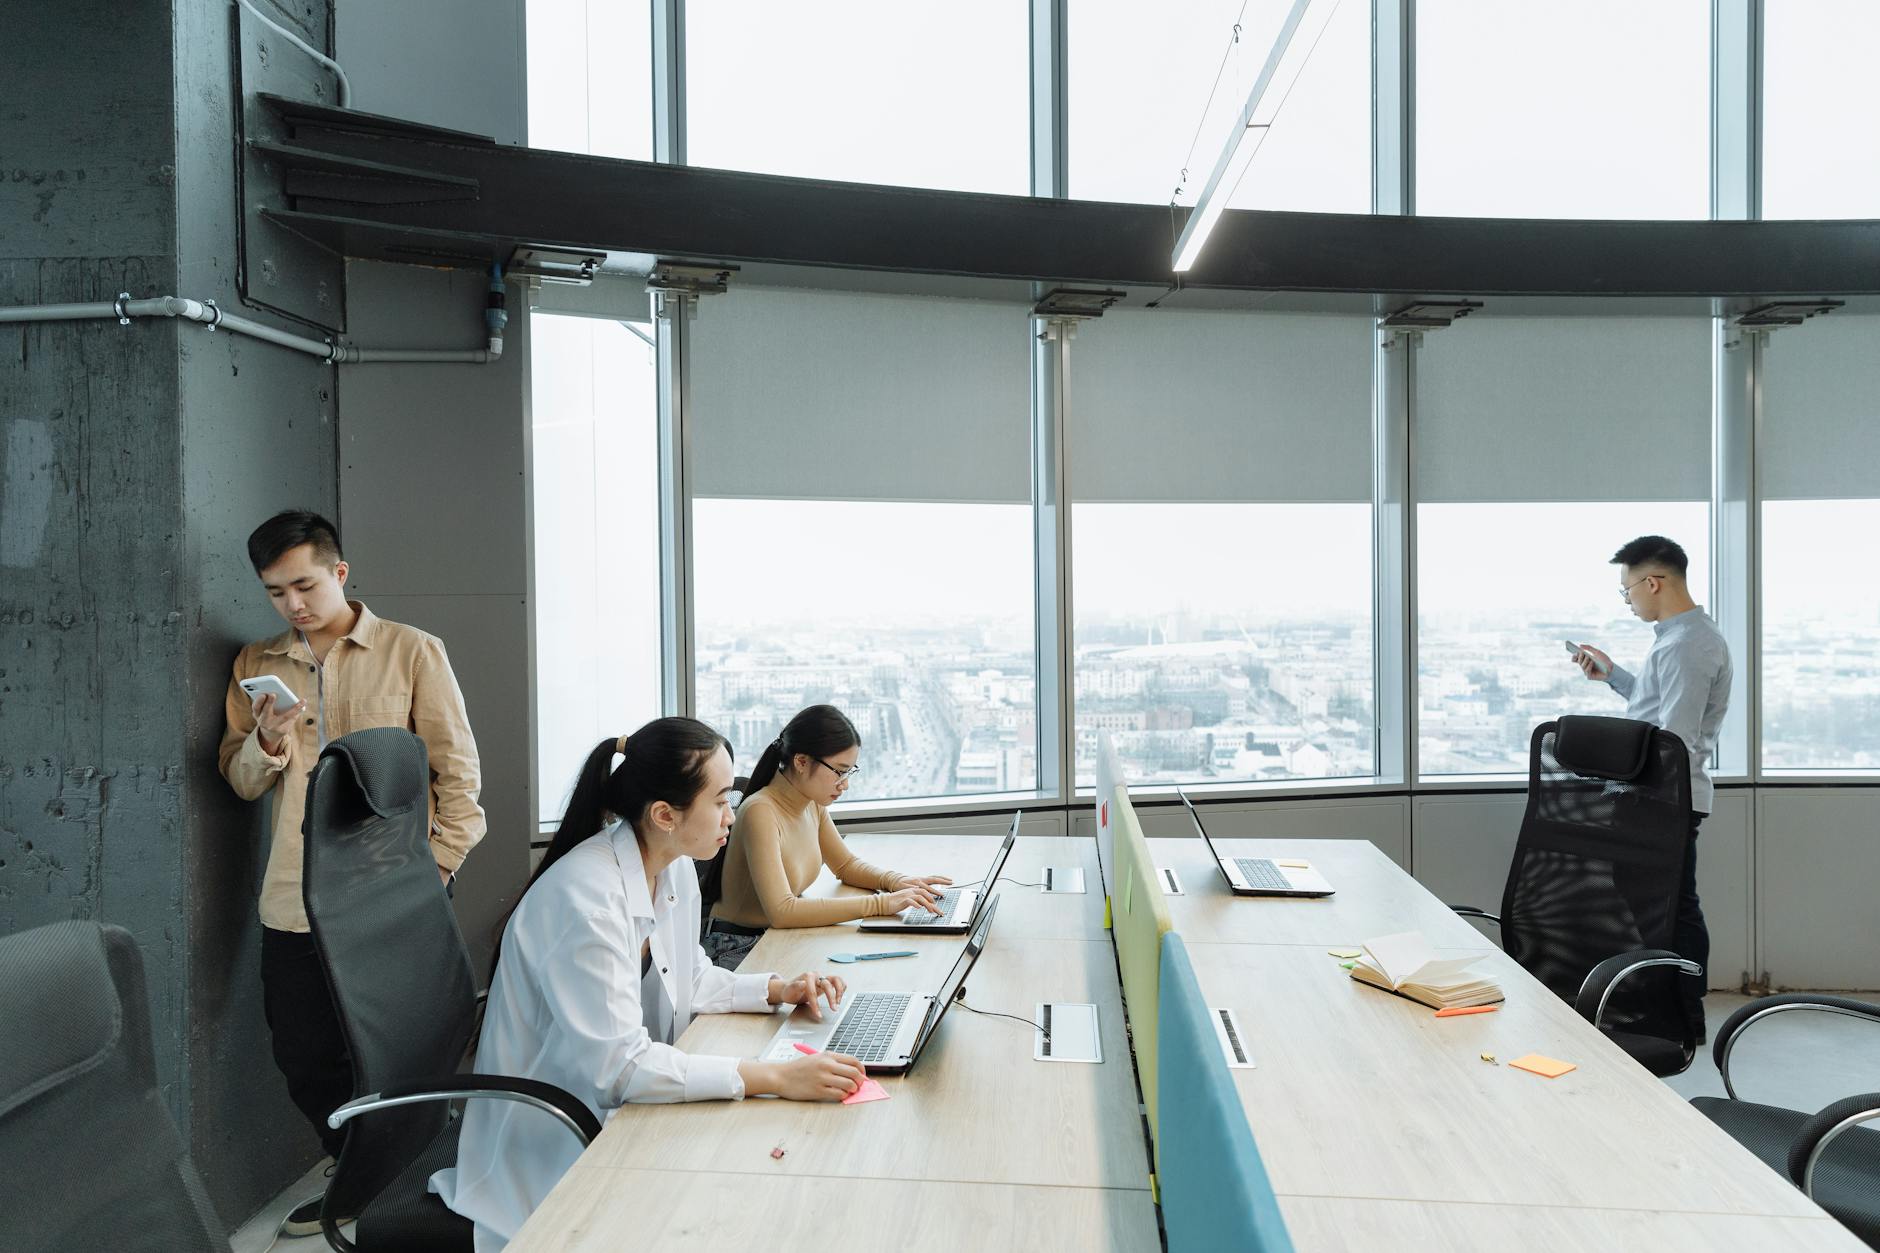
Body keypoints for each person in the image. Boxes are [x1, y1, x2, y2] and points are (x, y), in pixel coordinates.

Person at [431, 719, 863, 1251]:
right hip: (554, 1134)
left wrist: (776, 989)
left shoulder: (671, 863)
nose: (733, 815)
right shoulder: (588, 901)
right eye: (722, 801)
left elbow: (689, 976)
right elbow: (621, 1070)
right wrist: (773, 1075)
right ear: (664, 815)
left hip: (617, 1105)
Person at [217, 510, 484, 1234]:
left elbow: (457, 774)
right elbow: (239, 781)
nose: (292, 604)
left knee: (401, 1045)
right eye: (275, 591)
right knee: (305, 1050)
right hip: (293, 895)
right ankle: (364, 1170)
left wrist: (440, 866)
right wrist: (267, 742)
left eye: (303, 584)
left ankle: (400, 1180)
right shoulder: (255, 666)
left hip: (393, 892)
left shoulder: (412, 652)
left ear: (339, 572)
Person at [1572, 535, 1732, 1041]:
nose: (1628, 600)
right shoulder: (1677, 639)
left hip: (1664, 795)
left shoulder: (1689, 644)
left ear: (1653, 582)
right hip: (1654, 793)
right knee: (1656, 902)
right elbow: (1656, 706)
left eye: (1627, 590)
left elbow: (1674, 740)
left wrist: (1635, 790)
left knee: (1670, 905)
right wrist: (1614, 677)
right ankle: (1666, 1004)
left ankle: (1680, 1013)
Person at [703, 704, 954, 969]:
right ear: (801, 762)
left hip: (775, 938)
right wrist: (882, 903)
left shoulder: (811, 802)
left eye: (850, 771)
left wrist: (898, 882)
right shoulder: (760, 811)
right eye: (839, 771)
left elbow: (846, 866)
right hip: (737, 947)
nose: (844, 783)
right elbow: (782, 911)